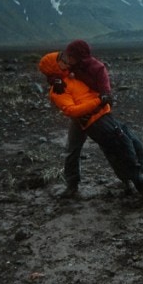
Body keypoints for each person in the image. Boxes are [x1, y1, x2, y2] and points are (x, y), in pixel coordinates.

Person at [38, 51, 143, 203]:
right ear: (55, 66)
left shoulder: (72, 75)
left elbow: (95, 72)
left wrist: (102, 98)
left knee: (129, 145)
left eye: (65, 58)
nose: (67, 61)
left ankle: (141, 181)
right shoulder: (58, 88)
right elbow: (71, 110)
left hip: (101, 116)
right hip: (92, 120)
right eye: (61, 60)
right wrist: (99, 102)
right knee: (120, 148)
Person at [56, 39, 112, 197]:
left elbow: (107, 96)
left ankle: (128, 181)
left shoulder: (98, 68)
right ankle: (71, 186)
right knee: (72, 149)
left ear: (79, 56)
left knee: (111, 148)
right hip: (80, 115)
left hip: (99, 116)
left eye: (71, 55)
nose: (69, 58)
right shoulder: (71, 68)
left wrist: (92, 111)